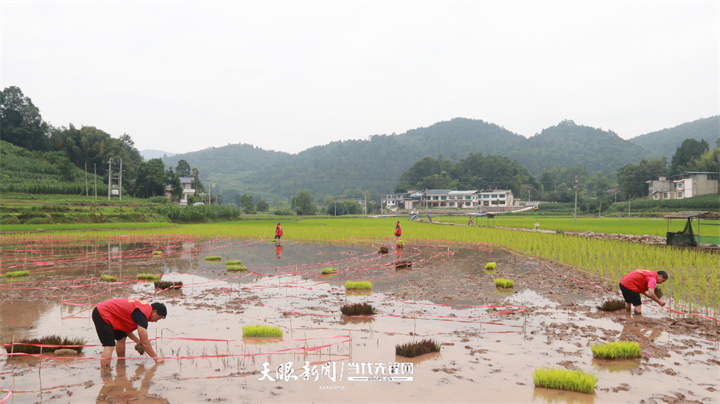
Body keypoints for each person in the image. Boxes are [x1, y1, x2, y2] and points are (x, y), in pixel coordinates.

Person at [93, 298, 166, 367]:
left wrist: (138, 341)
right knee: (109, 345)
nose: (156, 321)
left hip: (113, 315)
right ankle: (105, 374)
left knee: (121, 338)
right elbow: (145, 342)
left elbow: (127, 331)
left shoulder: (142, 309)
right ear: (154, 311)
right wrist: (156, 359)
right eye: (158, 318)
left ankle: (121, 363)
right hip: (102, 313)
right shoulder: (142, 315)